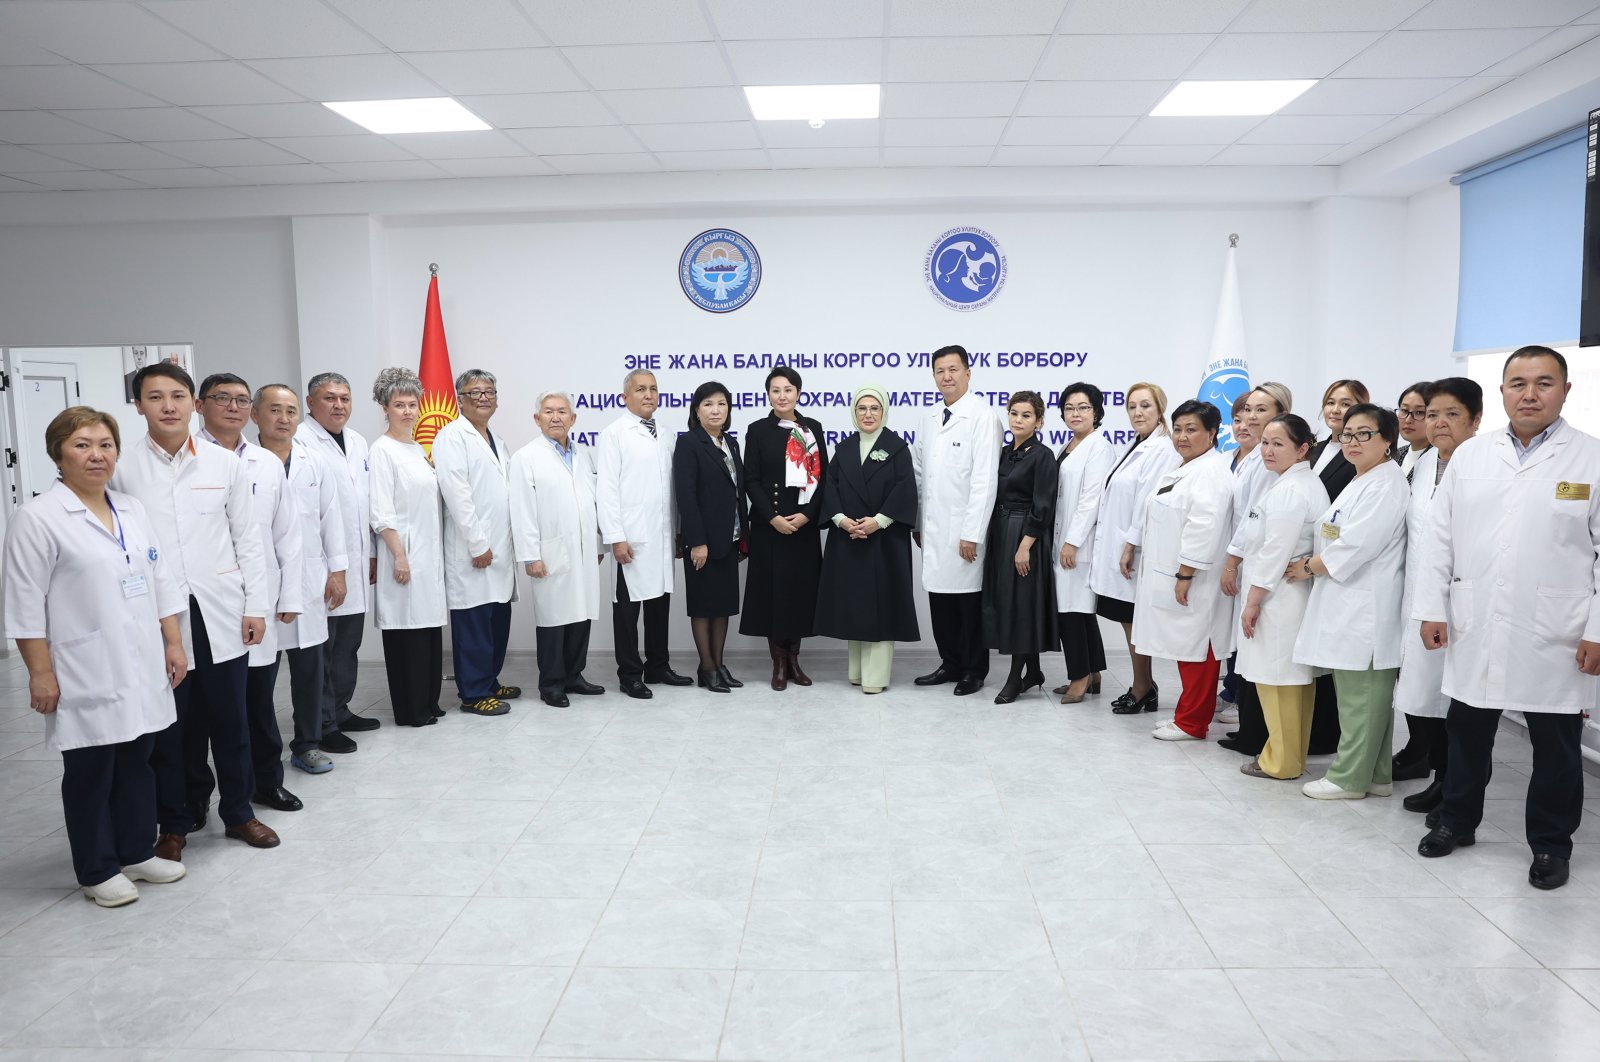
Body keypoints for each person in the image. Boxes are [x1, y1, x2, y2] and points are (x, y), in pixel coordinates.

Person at [1415, 347, 1600, 890]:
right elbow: (1439, 541)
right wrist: (1431, 607)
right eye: (1517, 382)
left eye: (1544, 383)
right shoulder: (1471, 458)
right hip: (1477, 620)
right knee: (1468, 730)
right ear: (1500, 392)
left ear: (1566, 391)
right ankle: (1456, 820)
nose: (1529, 393)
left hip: (1558, 630)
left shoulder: (1590, 458)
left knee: (1557, 746)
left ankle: (1550, 845)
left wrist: (1597, 630)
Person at [3, 407, 189, 906]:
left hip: (142, 659)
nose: (96, 455)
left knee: (138, 760)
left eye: (105, 444)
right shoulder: (37, 518)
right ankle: (96, 867)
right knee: (91, 770)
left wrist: (173, 641)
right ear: (58, 453)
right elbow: (23, 606)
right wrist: (40, 673)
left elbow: (160, 580)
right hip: (83, 665)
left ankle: (134, 851)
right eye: (82, 445)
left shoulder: (130, 509)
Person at [111, 362, 278, 858]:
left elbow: (249, 540)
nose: (168, 406)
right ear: (138, 405)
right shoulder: (123, 469)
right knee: (172, 727)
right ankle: (176, 822)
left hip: (220, 611)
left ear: (193, 404)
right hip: (159, 618)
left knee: (232, 720)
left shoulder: (225, 463)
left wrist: (256, 606)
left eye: (178, 396)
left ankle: (240, 814)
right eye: (155, 397)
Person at [1288, 403, 1408, 799]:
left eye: (1364, 434)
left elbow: (1357, 545)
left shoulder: (1386, 484)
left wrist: (1308, 565)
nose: (1352, 442)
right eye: (1347, 434)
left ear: (1388, 439)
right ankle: (1376, 775)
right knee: (1363, 699)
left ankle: (1348, 779)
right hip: (1347, 601)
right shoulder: (1363, 480)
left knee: (1362, 701)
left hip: (1366, 608)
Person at [197, 373, 304, 815]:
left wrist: (290, 597)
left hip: (258, 602)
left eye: (241, 400)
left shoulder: (265, 462)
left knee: (258, 705)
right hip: (205, 606)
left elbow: (288, 534)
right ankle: (196, 795)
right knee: (202, 713)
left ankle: (265, 783)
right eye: (223, 399)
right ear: (201, 406)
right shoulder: (189, 461)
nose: (234, 407)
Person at [1391, 378, 1481, 809]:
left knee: (1459, 707)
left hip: (1464, 603)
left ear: (1475, 419)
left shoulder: (1481, 465)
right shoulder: (1424, 463)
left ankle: (1455, 788)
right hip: (1421, 599)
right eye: (1432, 415)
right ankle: (1439, 775)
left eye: (1451, 414)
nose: (1438, 423)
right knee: (1426, 696)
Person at [252, 384, 349, 777]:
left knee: (311, 670)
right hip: (261, 583)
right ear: (256, 414)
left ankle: (306, 744)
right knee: (260, 677)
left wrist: (338, 572)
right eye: (274, 410)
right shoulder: (243, 463)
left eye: (290, 411)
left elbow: (331, 518)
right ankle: (261, 750)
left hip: (309, 580)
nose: (283, 418)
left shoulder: (314, 461)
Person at [1130, 400, 1235, 741]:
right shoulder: (1187, 466)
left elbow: (1203, 526)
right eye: (1178, 429)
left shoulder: (1211, 472)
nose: (1182, 436)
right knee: (1185, 647)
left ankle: (1193, 723)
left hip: (1195, 578)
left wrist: (1185, 574)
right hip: (1175, 573)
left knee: (1198, 648)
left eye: (1192, 430)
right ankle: (1186, 716)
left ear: (1212, 433)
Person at [1234, 415, 1329, 780]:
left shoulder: (1292, 490)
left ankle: (1282, 762)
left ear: (1302, 448)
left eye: (1279, 443)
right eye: (1266, 442)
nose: (1268, 450)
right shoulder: (1294, 482)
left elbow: (1275, 551)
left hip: (1279, 600)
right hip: (1285, 596)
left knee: (1278, 682)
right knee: (1288, 682)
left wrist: (1254, 601)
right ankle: (1289, 756)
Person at [815, 386, 920, 694]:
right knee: (855, 605)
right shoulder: (844, 448)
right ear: (853, 412)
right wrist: (841, 520)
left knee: (881, 608)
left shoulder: (897, 447)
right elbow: (829, 488)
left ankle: (876, 677)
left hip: (884, 542)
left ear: (884, 411)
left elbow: (905, 491)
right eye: (862, 408)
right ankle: (857, 672)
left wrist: (878, 522)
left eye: (874, 408)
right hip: (849, 538)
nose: (868, 414)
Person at [911, 345, 1002, 696]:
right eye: (939, 371)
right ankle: (949, 662)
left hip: (964, 532)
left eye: (953, 369)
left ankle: (973, 669)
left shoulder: (982, 416)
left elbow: (984, 481)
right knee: (941, 601)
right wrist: (919, 522)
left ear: (968, 372)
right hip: (934, 530)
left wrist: (972, 533)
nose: (946, 377)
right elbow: (921, 474)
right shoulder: (930, 417)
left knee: (968, 603)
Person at [596, 369, 692, 698]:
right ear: (626, 397)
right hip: (631, 537)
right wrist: (615, 537)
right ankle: (629, 672)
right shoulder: (614, 434)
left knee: (658, 604)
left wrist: (679, 532)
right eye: (640, 389)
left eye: (653, 389)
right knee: (627, 610)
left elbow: (675, 491)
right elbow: (606, 489)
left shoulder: (667, 435)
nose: (648, 394)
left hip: (663, 535)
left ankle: (658, 665)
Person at [297, 371, 379, 740]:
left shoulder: (358, 442)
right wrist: (334, 567)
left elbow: (363, 506)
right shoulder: (300, 442)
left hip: (358, 562)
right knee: (324, 651)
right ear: (311, 403)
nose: (338, 405)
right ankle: (322, 722)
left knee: (348, 646)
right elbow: (312, 514)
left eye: (344, 398)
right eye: (329, 398)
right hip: (326, 566)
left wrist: (372, 553)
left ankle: (340, 709)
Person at [509, 391, 605, 707]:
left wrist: (597, 543)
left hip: (583, 550)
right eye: (548, 411)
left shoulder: (583, 455)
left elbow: (592, 503)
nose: (555, 417)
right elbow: (521, 510)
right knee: (553, 618)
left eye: (562, 411)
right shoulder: (527, 457)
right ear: (537, 419)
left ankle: (574, 675)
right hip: (549, 551)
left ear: (573, 418)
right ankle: (551, 682)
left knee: (580, 613)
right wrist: (530, 555)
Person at [434, 369, 518, 717]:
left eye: (489, 391)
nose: (484, 397)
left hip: (501, 548)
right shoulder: (451, 437)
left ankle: (490, 680)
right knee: (474, 622)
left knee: (497, 618)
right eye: (475, 392)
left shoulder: (498, 440)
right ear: (459, 399)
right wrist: (477, 544)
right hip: (474, 550)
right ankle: (473, 692)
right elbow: (458, 496)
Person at [740, 366, 828, 690]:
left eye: (788, 390)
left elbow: (823, 478)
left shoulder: (811, 428)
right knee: (772, 596)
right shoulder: (757, 430)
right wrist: (772, 517)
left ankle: (794, 660)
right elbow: (750, 479)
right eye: (775, 390)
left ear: (798, 393)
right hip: (770, 526)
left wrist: (806, 515)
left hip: (802, 526)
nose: (782, 396)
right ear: (768, 395)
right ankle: (778, 662)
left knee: (799, 595)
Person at [1217, 382, 1294, 754]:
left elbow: (1253, 518)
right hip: (1248, 561)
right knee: (1245, 651)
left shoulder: (1270, 462)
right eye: (1248, 409)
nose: (1249, 416)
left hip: (1256, 564)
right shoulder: (1253, 456)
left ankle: (1253, 733)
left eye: (1260, 410)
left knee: (1255, 651)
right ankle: (1248, 727)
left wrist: (1232, 560)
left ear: (1280, 414)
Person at [368, 367, 446, 727]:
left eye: (413, 404)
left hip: (428, 557)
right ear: (385, 407)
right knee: (407, 634)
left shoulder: (416, 448)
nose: (408, 412)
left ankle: (429, 702)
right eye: (399, 405)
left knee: (428, 631)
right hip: (403, 553)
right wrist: (399, 555)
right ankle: (411, 709)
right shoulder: (382, 450)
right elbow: (382, 511)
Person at [1096, 382, 1180, 713]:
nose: (1137, 412)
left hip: (1136, 550)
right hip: (1125, 547)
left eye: (1145, 405)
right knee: (1128, 618)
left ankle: (1143, 686)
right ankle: (1143, 683)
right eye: (1132, 406)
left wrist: (1131, 544)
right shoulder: (1139, 445)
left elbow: (1149, 501)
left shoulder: (1162, 449)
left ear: (1160, 409)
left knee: (1133, 620)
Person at [982, 391, 1057, 704]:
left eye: (1026, 415)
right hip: (1000, 530)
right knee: (1005, 599)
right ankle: (1034, 672)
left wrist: (1025, 545)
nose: (1018, 420)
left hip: (1024, 533)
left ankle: (1015, 677)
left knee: (1021, 603)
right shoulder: (1002, 453)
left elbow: (1043, 505)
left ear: (1039, 421)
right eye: (1014, 413)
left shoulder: (1043, 455)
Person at [674, 381, 749, 693]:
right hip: (703, 542)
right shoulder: (690, 443)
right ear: (696, 410)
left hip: (729, 539)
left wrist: (743, 534)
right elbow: (686, 496)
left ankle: (719, 664)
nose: (715, 409)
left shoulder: (730, 444)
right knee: (704, 607)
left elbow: (736, 492)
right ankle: (706, 667)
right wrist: (698, 541)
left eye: (721, 403)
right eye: (708, 404)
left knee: (722, 606)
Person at [1051, 383, 1118, 703]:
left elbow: (1091, 499)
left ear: (1097, 412)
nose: (1075, 413)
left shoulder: (1099, 447)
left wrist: (1072, 542)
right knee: (1079, 611)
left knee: (1072, 611)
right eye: (1069, 408)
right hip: (1065, 541)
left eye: (1083, 407)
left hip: (1079, 546)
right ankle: (1093, 673)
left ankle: (1078, 677)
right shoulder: (1070, 445)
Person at [1309, 379, 1369, 501]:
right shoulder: (1312, 448)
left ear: (1361, 409)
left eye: (1345, 404)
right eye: (1330, 403)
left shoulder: (1362, 455)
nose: (1335, 410)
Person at [1394, 381, 1433, 477]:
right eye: (1404, 410)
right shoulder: (1395, 455)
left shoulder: (1440, 458)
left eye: (1419, 412)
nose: (1408, 420)